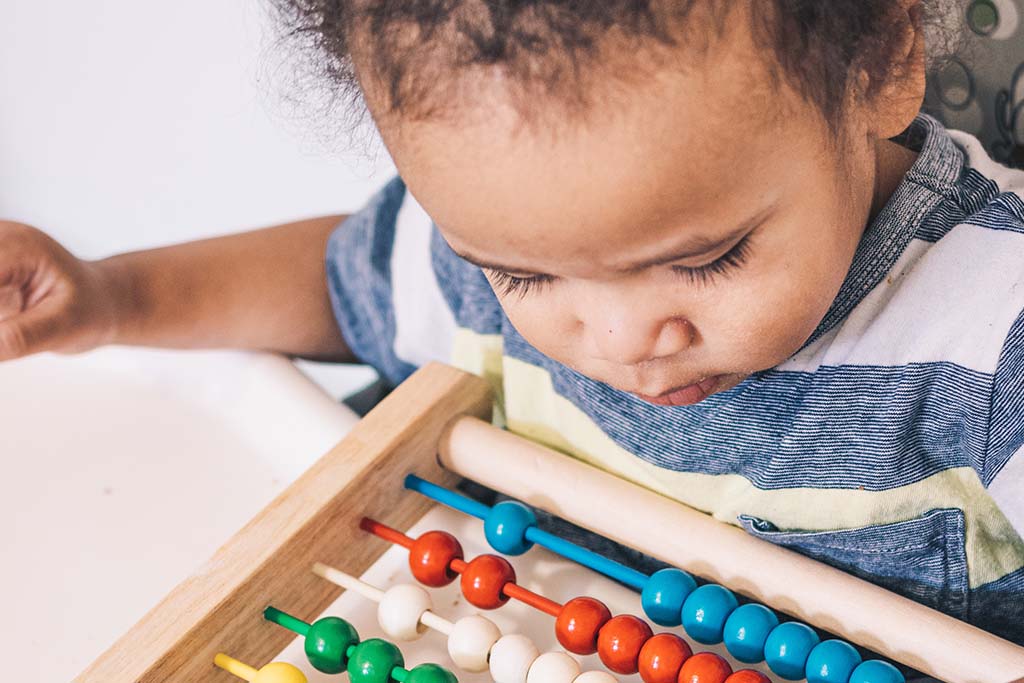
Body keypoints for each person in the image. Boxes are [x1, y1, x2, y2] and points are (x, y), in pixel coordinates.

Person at [2, 0, 1023, 647]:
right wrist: (112, 298)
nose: (618, 339)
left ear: (880, 61)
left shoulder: (994, 335)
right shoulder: (479, 249)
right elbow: (337, 281)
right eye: (523, 277)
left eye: (704, 258)